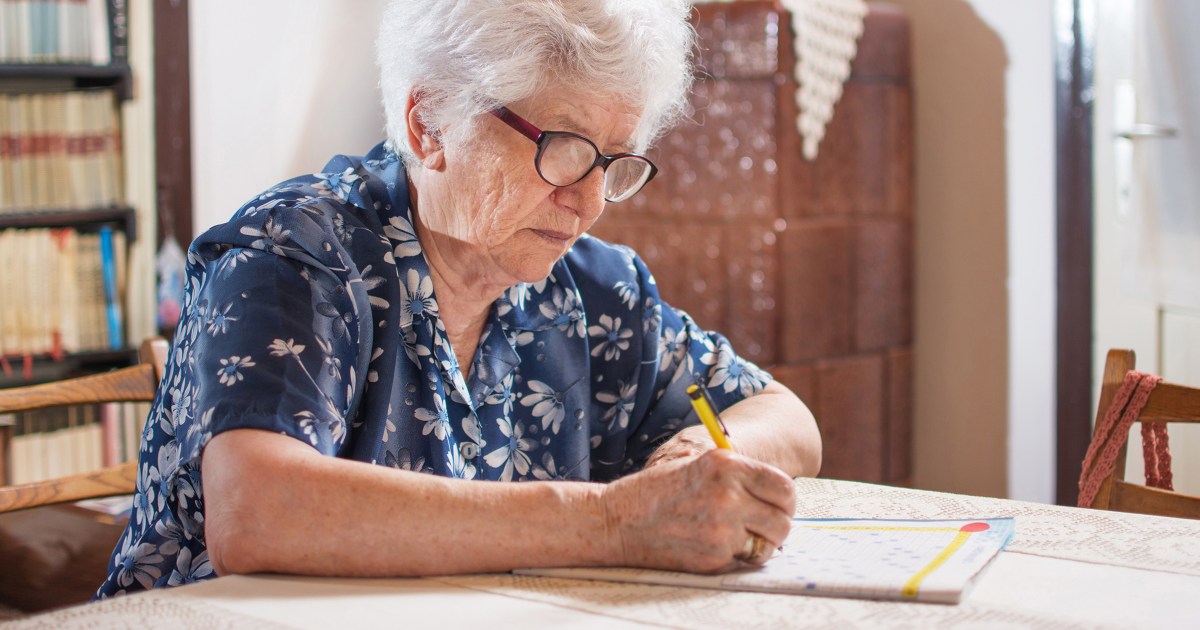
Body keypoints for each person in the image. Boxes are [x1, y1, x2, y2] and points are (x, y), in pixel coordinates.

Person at [97, 0, 821, 597]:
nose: (590, 201)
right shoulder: (296, 254)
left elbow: (786, 419)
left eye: (614, 161)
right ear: (430, 123)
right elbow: (256, 513)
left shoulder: (591, 287)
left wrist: (692, 458)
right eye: (563, 147)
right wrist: (611, 522)